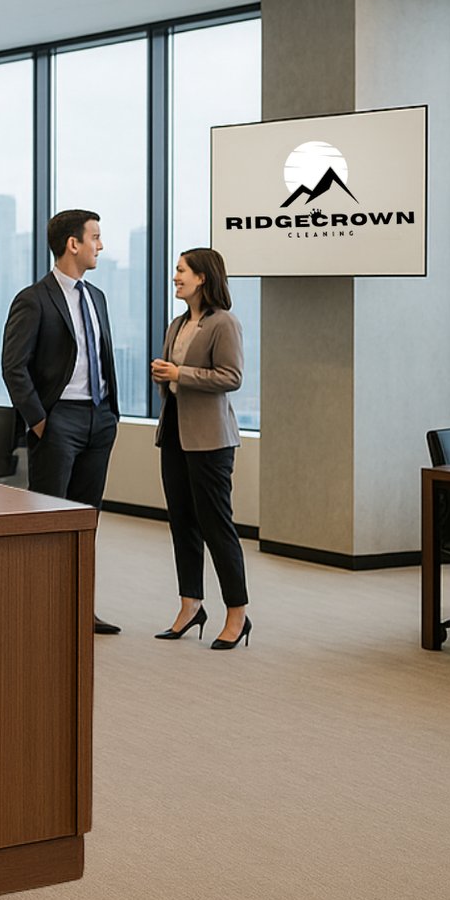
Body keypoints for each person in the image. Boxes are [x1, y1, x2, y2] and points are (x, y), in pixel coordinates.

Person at [2, 208, 122, 635]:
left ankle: (79, 610)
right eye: (95, 237)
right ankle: (41, 613)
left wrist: (109, 415)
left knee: (86, 520)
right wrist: (39, 422)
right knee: (50, 519)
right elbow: (13, 367)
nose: (100, 246)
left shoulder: (97, 298)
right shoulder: (33, 299)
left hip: (98, 418)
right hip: (58, 421)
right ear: (73, 243)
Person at [150, 247, 251, 649]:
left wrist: (180, 373)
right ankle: (191, 605)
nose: (175, 277)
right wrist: (166, 376)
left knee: (216, 526)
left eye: (181, 271)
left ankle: (237, 613)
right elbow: (177, 378)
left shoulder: (224, 323)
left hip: (210, 440)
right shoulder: (177, 324)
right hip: (174, 433)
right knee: (182, 523)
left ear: (203, 278)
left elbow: (231, 376)